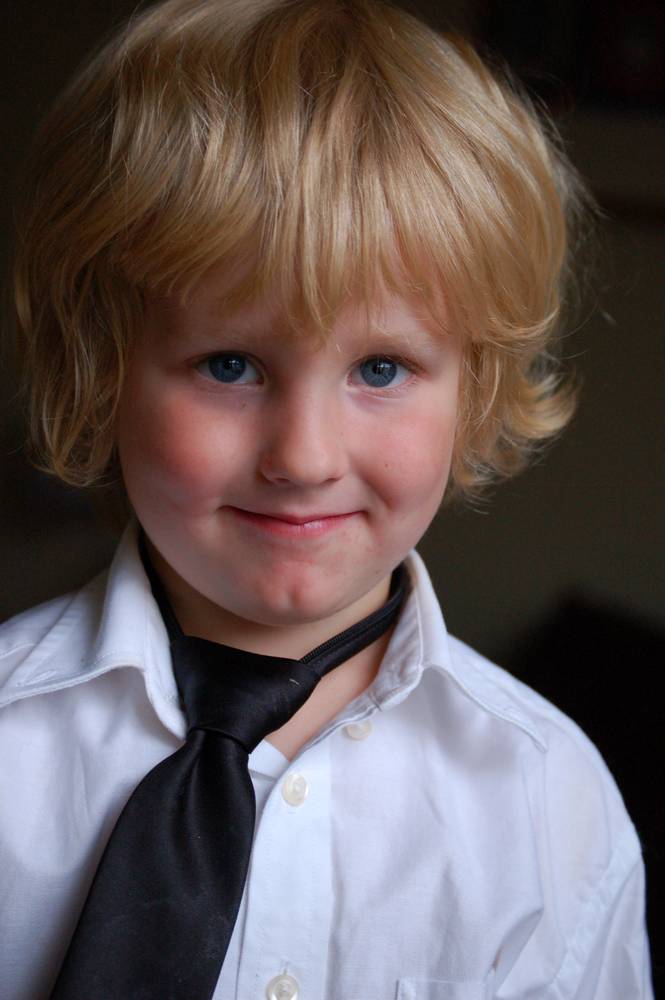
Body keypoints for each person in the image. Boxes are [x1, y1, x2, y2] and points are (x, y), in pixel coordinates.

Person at [0, 0, 654, 997]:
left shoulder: (549, 803)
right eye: (229, 363)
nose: (303, 458)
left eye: (380, 368)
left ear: (473, 388)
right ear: (103, 372)